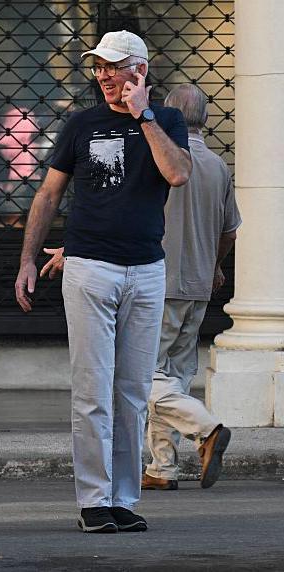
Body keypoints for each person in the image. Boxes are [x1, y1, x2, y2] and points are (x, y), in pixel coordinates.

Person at [14, 30, 192, 533]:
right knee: (93, 390)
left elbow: (178, 174)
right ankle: (94, 500)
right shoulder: (81, 124)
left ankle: (122, 499)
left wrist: (144, 116)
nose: (105, 76)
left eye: (113, 66)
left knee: (133, 391)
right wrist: (26, 259)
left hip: (146, 269)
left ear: (141, 70)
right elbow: (48, 195)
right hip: (90, 267)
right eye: (98, 67)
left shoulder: (167, 120)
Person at [142, 84, 240, 491]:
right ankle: (161, 467)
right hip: (199, 283)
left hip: (157, 280)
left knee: (142, 375)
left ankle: (206, 428)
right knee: (174, 377)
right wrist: (214, 265)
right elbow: (230, 230)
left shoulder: (160, 158)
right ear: (207, 118)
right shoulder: (218, 166)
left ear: (168, 116)